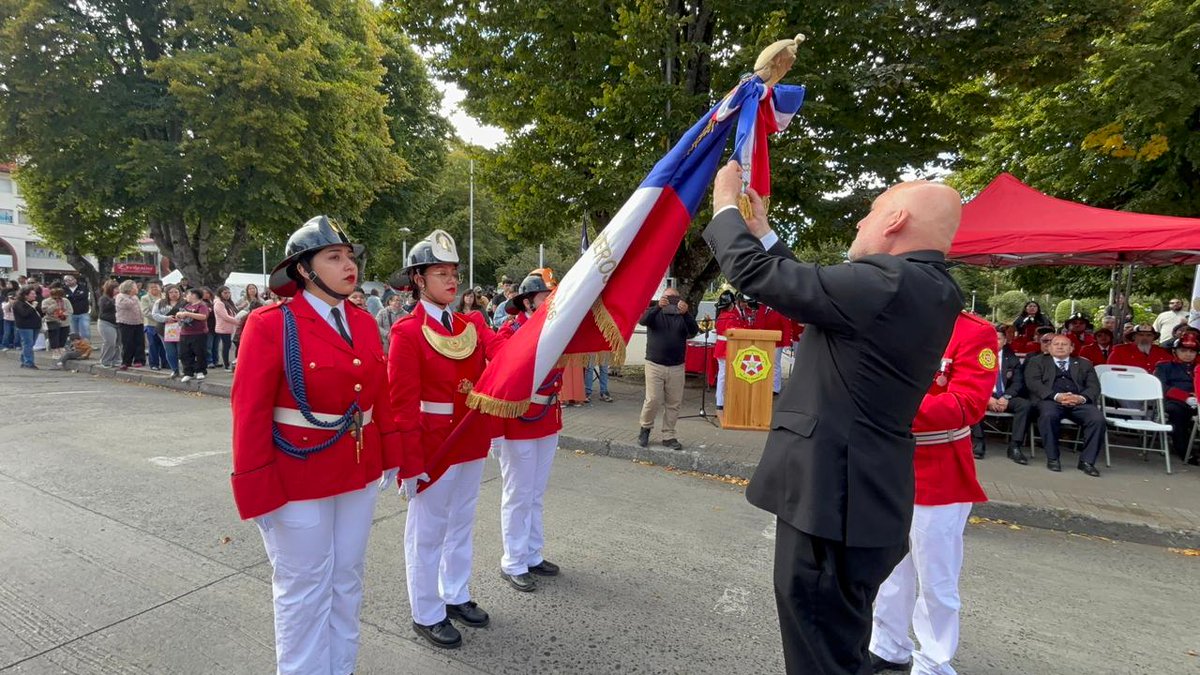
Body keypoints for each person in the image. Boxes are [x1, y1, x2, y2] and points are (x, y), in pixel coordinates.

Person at [703, 161, 964, 675]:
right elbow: (813, 295)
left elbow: (755, 275)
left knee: (820, 657)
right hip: (859, 497)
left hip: (833, 500)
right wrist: (764, 234)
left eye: (870, 213)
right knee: (838, 647)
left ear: (894, 223)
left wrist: (724, 204)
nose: (860, 225)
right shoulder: (922, 286)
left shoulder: (889, 280)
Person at [231, 215, 406, 675]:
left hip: (357, 469)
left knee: (347, 581)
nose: (348, 265)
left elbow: (378, 396)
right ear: (304, 270)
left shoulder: (364, 322)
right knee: (304, 587)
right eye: (334, 257)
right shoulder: (272, 323)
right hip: (296, 473)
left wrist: (389, 455)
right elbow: (249, 412)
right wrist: (255, 488)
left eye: (350, 256)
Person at [386, 229, 502, 650]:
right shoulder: (406, 332)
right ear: (419, 280)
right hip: (432, 444)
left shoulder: (471, 323)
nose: (452, 281)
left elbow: (505, 352)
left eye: (454, 272)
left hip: (469, 438)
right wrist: (409, 462)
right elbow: (401, 404)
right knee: (427, 530)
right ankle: (426, 610)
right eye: (440, 273)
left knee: (461, 523)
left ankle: (455, 593)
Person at [870, 312, 992, 674]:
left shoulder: (972, 331)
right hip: (890, 463)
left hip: (940, 467)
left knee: (936, 578)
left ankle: (934, 660)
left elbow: (967, 403)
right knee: (889, 570)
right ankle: (889, 645)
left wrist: (891, 407)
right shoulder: (887, 318)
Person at [495, 272, 564, 593]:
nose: (550, 300)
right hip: (519, 418)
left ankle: (533, 554)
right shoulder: (511, 330)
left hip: (548, 415)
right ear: (528, 301)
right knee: (518, 494)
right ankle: (513, 561)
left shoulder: (558, 327)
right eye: (544, 296)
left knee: (536, 493)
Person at [1024, 335, 1105, 476]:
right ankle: (1053, 458)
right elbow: (1034, 384)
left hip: (1078, 401)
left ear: (1071, 348)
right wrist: (1057, 396)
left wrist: (1080, 398)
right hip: (1050, 400)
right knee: (1048, 416)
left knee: (1097, 419)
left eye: (1064, 344)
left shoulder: (1084, 364)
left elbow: (1094, 387)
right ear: (1049, 348)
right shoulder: (1036, 361)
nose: (1060, 347)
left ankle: (1087, 462)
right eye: (1056, 344)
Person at [637, 287, 699, 450]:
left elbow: (693, 331)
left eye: (673, 298)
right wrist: (658, 306)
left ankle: (668, 435)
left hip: (676, 366)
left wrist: (686, 313)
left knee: (674, 402)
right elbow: (642, 321)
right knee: (653, 399)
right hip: (654, 364)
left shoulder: (682, 315)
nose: (669, 301)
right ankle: (645, 428)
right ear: (661, 297)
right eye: (666, 297)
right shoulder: (654, 312)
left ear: (679, 300)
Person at [970, 323, 1032, 464]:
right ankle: (979, 442)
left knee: (1025, 405)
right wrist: (987, 398)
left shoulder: (1012, 359)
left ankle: (1015, 446)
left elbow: (1018, 382)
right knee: (972, 400)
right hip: (984, 395)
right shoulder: (977, 356)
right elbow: (973, 380)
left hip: (1005, 396)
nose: (994, 341)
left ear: (1004, 341)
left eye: (998, 339)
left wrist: (1006, 397)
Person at [1154, 333, 1198, 462]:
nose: (1188, 354)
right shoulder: (1164, 366)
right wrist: (1185, 397)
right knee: (1177, 412)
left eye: (1192, 351)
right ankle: (1184, 452)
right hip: (1174, 401)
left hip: (1197, 401)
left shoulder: (1197, 367)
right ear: (1175, 351)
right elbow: (1161, 387)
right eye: (1183, 350)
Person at [712, 289, 749, 410]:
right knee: (729, 376)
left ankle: (720, 401)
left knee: (722, 376)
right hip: (729, 349)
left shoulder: (721, 316)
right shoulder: (732, 317)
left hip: (721, 349)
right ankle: (725, 401)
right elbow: (736, 332)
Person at [175, 288, 210, 382]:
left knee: (199, 352)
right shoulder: (187, 305)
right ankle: (188, 372)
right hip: (185, 333)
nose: (187, 296)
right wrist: (179, 315)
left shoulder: (202, 305)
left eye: (188, 294)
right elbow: (180, 315)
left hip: (199, 333)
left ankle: (200, 371)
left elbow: (203, 316)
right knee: (185, 353)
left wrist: (188, 314)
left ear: (194, 295)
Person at [153, 284, 185, 378]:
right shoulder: (160, 302)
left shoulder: (185, 302)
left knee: (181, 351)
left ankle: (185, 369)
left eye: (176, 292)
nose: (173, 294)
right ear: (167, 293)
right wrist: (166, 318)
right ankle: (175, 370)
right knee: (170, 351)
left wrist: (181, 319)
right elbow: (155, 314)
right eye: (171, 292)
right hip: (164, 330)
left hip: (181, 329)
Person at [115, 280, 144, 371]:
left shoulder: (135, 297)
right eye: (135, 287)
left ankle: (139, 360)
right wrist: (132, 298)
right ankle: (126, 361)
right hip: (125, 322)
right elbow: (126, 305)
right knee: (127, 343)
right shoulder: (120, 296)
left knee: (139, 342)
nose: (137, 288)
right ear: (129, 288)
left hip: (138, 322)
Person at [13, 285, 44, 369]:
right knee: (28, 344)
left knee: (30, 344)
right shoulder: (18, 303)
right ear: (25, 295)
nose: (35, 296)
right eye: (32, 294)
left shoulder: (33, 302)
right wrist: (33, 307)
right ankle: (29, 362)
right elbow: (24, 314)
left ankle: (24, 361)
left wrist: (40, 308)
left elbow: (41, 314)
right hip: (25, 326)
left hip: (35, 326)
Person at [140, 280, 168, 371]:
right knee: (153, 345)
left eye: (156, 286)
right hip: (151, 324)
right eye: (151, 287)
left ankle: (166, 362)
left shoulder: (165, 297)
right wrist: (160, 318)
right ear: (148, 289)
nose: (154, 289)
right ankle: (154, 364)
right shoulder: (145, 298)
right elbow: (145, 312)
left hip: (165, 325)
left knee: (165, 345)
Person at [41, 284, 71, 359]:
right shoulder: (46, 301)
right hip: (52, 320)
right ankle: (55, 351)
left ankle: (61, 348)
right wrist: (54, 305)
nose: (57, 298)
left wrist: (63, 314)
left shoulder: (65, 300)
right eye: (55, 296)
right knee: (54, 336)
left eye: (59, 296)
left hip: (64, 321)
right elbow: (46, 311)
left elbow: (70, 310)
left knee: (63, 336)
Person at [213, 285, 238, 370]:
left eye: (228, 293)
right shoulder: (219, 303)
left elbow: (233, 312)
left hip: (230, 327)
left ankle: (228, 363)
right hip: (223, 328)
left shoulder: (228, 302)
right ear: (220, 293)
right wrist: (238, 322)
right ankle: (226, 364)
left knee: (228, 345)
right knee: (226, 346)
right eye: (225, 293)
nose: (227, 294)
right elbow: (225, 317)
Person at [97, 280, 120, 368]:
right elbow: (105, 308)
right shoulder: (104, 298)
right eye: (115, 289)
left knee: (118, 343)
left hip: (118, 322)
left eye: (118, 288)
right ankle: (105, 360)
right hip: (106, 323)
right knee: (110, 342)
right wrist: (114, 299)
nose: (117, 290)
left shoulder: (120, 297)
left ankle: (116, 360)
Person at [63, 274, 91, 340]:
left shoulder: (82, 287)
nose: (68, 282)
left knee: (85, 331)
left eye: (69, 280)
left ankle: (86, 345)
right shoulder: (64, 289)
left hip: (83, 313)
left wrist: (70, 297)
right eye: (66, 280)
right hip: (71, 313)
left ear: (75, 280)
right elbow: (64, 300)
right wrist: (74, 297)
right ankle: (76, 345)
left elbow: (83, 296)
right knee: (74, 332)